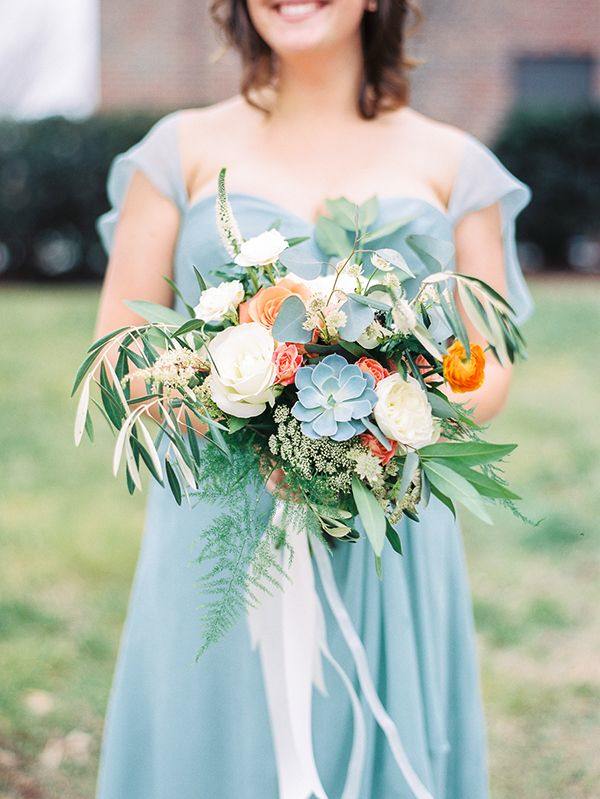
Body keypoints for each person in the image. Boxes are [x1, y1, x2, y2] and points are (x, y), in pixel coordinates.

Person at [94, 1, 533, 797]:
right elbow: (126, 355)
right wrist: (243, 401)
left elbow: (490, 364)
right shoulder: (179, 149)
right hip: (222, 524)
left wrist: (384, 402)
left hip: (387, 521)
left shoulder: (453, 162)